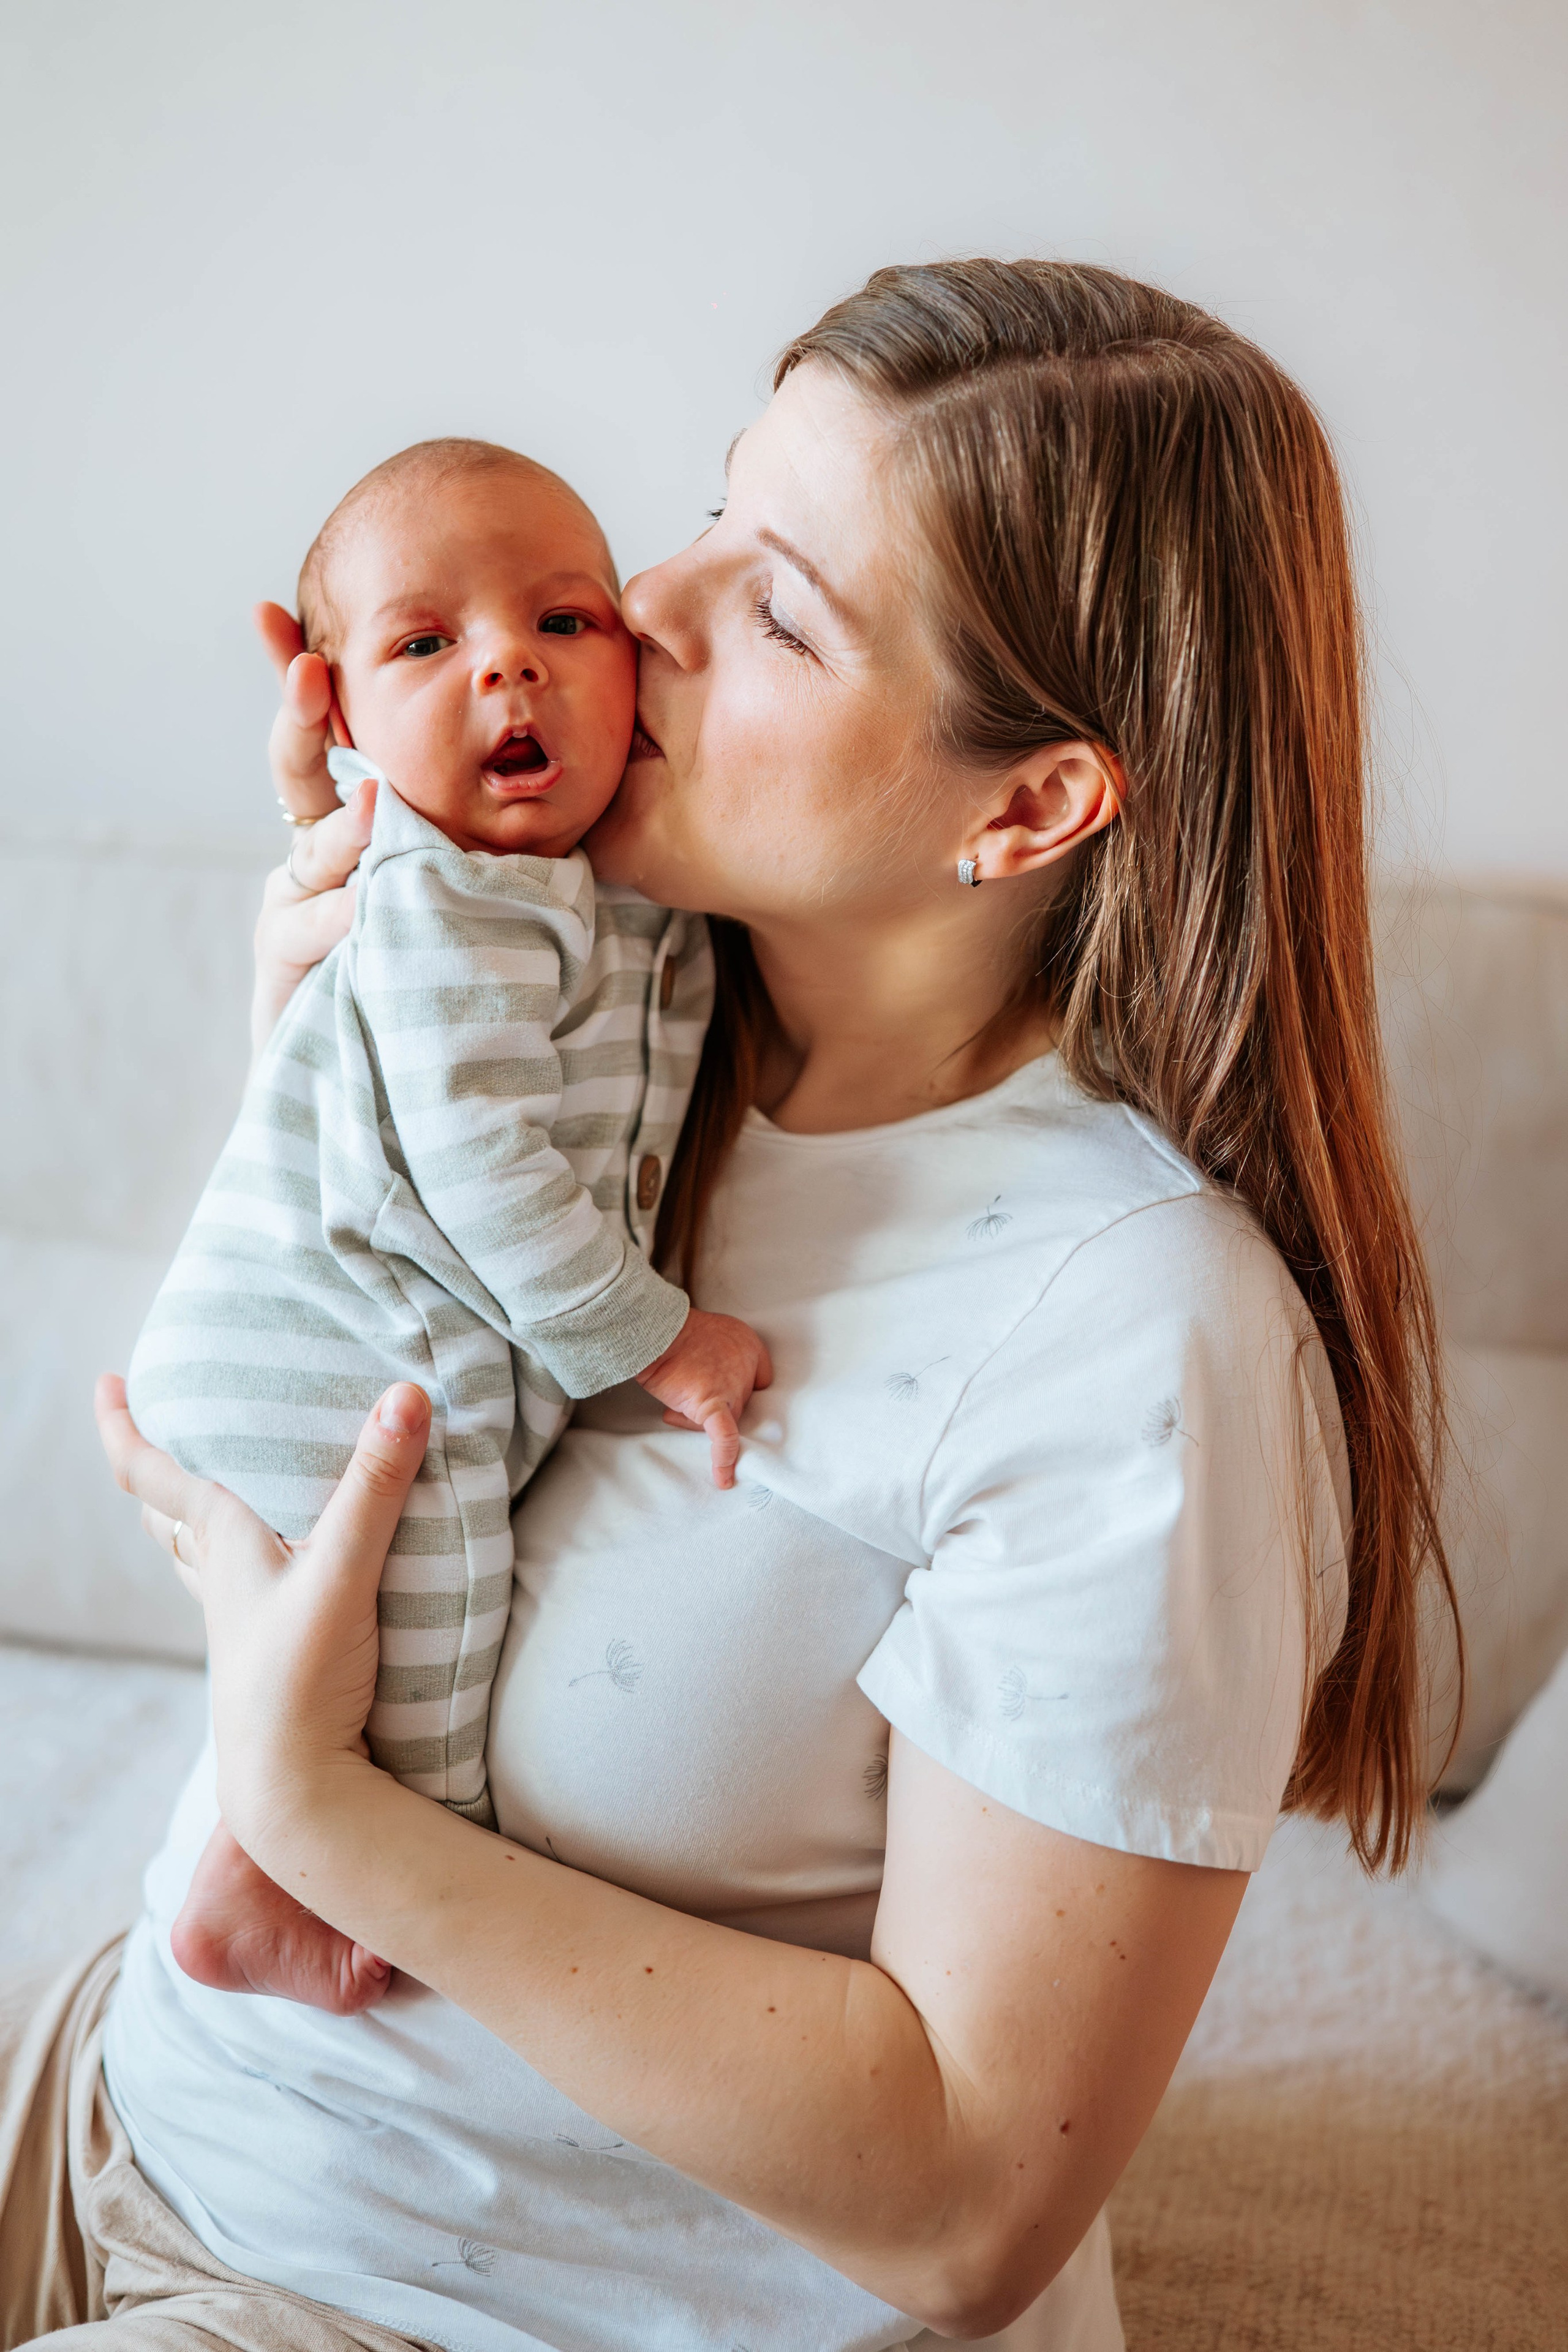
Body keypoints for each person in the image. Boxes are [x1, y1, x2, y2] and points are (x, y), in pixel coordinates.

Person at [4, 258, 1452, 2352]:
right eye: (704, 508)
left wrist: (308, 1809)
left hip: (418, 2307)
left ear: (1029, 801)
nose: (636, 610)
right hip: (132, 2091)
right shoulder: (599, 993)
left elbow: (969, 2201)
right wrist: (331, 1045)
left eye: (779, 607)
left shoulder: (1135, 1330)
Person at [123, 437, 768, 2014]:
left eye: (563, 622)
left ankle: (275, 1859)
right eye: (427, 644)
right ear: (342, 723)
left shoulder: (596, 889)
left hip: (354, 1336)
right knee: (432, 1631)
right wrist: (658, 1342)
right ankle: (285, 1883)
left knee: (377, 1637)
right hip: (332, 1342)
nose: (508, 671)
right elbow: (476, 1153)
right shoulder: (446, 896)